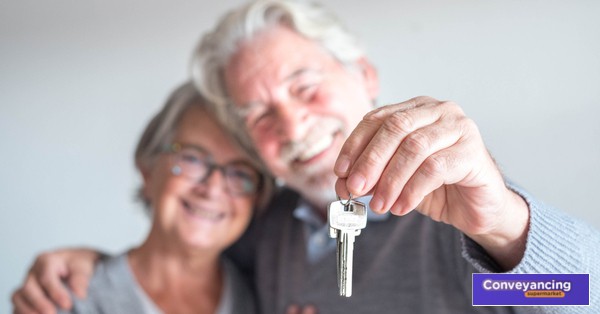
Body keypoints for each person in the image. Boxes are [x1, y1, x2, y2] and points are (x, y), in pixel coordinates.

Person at [12, 0, 599, 313]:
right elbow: (178, 273)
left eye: (304, 85)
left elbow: (579, 296)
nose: (292, 124)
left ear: (363, 74)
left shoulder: (460, 219)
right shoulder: (264, 235)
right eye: (259, 115)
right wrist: (92, 264)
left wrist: (505, 228)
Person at [12, 81, 274, 313]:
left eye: (240, 173)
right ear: (148, 169)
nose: (213, 187)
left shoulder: (268, 297)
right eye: (192, 158)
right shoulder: (67, 298)